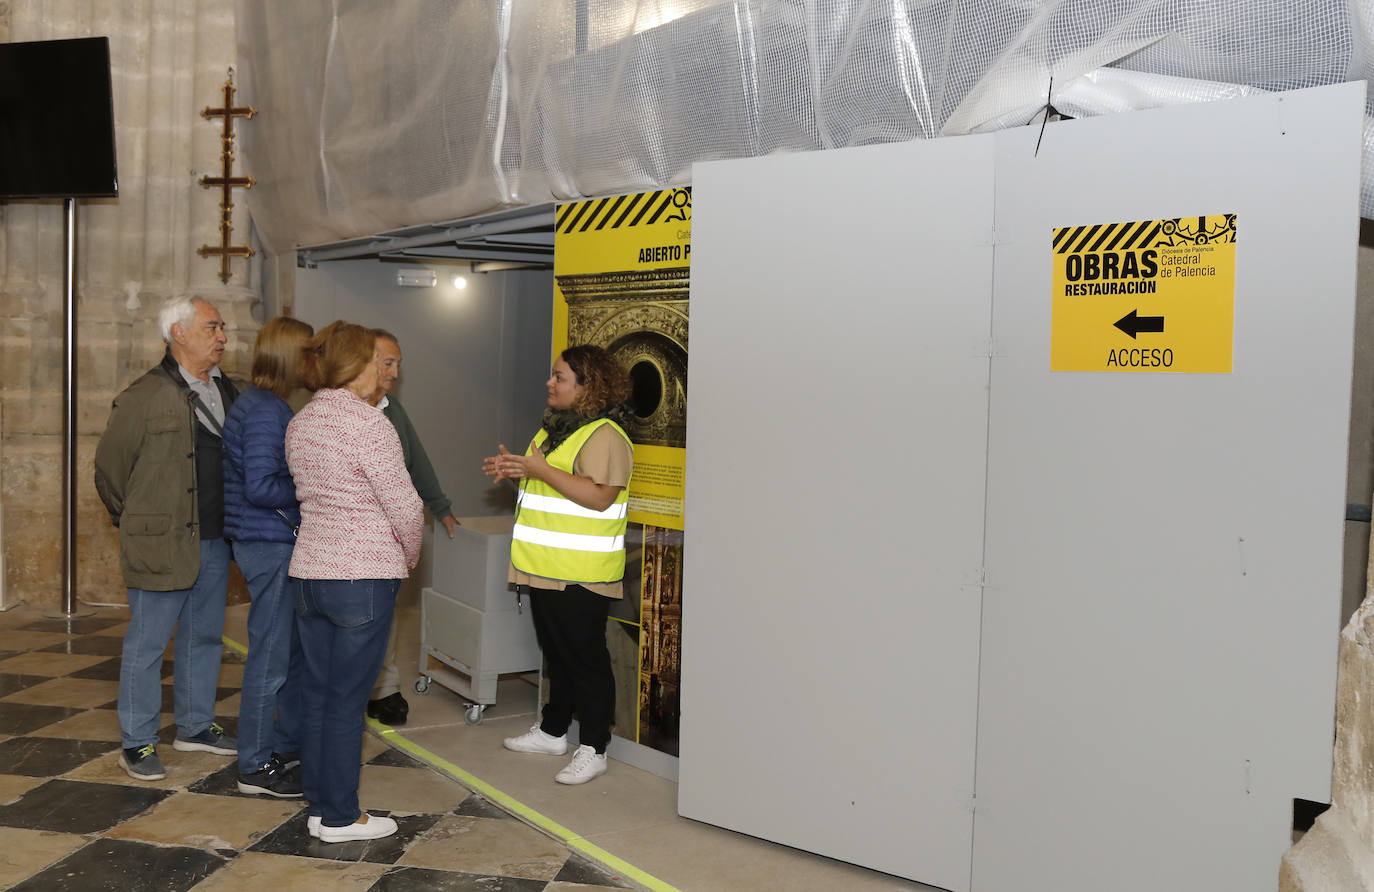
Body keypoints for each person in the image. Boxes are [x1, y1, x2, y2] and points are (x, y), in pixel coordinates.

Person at [286, 321, 423, 842]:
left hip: (309, 574)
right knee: (346, 701)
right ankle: (343, 816)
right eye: (375, 361)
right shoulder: (369, 426)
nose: (382, 371)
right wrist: (407, 558)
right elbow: (405, 508)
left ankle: (322, 806)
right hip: (362, 576)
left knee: (319, 695)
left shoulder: (303, 421)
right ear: (356, 364)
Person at [95, 296, 240, 781]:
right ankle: (137, 742)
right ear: (178, 332)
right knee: (148, 643)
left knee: (203, 638)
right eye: (211, 327)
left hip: (215, 538)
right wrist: (139, 522)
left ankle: (195, 727)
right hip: (161, 541)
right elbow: (110, 471)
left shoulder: (228, 390)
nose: (222, 336)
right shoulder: (142, 396)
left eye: (222, 327)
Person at [483, 345, 634, 786]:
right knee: (557, 653)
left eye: (560, 377)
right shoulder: (555, 430)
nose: (550, 383)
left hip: (580, 572)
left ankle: (594, 746)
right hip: (544, 565)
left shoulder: (605, 435)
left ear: (589, 387)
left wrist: (539, 470)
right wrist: (519, 469)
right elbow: (554, 484)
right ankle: (553, 731)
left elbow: (600, 496)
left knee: (586, 659)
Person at [222, 316, 314, 798]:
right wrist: (311, 486)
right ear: (290, 357)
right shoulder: (263, 410)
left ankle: (280, 746)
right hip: (268, 543)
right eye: (309, 351)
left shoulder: (267, 404)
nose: (315, 361)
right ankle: (254, 766)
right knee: (270, 660)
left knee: (286, 654)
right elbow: (260, 487)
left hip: (270, 541)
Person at [365, 329, 459, 727]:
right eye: (388, 363)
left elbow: (416, 461)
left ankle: (383, 688)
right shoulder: (336, 411)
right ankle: (352, 689)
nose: (396, 371)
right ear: (363, 363)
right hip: (348, 538)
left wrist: (442, 508)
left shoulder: (393, 409)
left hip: (389, 538)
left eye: (398, 363)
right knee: (355, 619)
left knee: (385, 614)